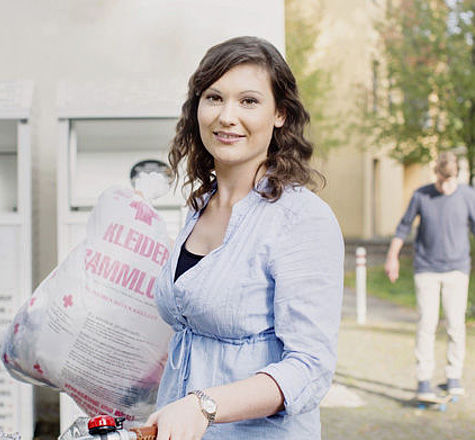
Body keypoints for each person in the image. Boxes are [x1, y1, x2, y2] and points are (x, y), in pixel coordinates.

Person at [145, 36, 344, 440]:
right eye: (214, 98)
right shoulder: (200, 207)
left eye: (249, 101)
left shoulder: (300, 219)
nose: (226, 116)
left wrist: (205, 406)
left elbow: (310, 367)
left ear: (280, 114)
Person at [385, 151, 475, 399]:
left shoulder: (468, 195)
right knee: (427, 323)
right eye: (443, 180)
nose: (447, 187)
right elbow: (403, 226)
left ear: (456, 175)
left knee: (456, 325)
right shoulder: (421, 194)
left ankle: (453, 377)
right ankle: (424, 380)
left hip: (457, 270)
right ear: (436, 173)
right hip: (426, 269)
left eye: (451, 181)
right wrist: (392, 257)